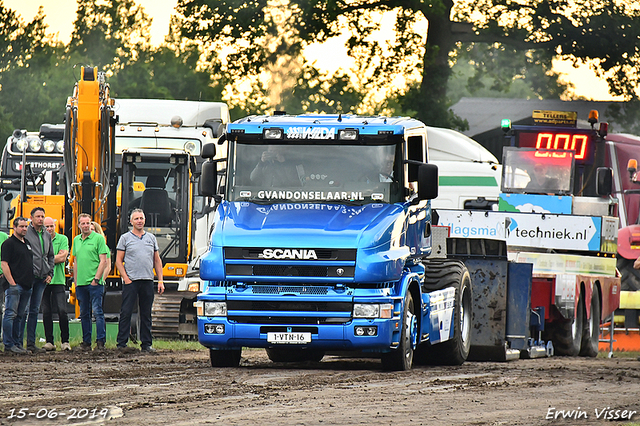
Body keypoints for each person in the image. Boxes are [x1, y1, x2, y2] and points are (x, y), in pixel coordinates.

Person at [115, 209, 164, 353]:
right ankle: (121, 344)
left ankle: (146, 344)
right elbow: (118, 260)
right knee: (126, 312)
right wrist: (125, 278)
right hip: (131, 281)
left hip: (147, 280)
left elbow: (157, 260)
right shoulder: (125, 238)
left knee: (146, 313)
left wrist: (160, 280)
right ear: (131, 221)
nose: (139, 221)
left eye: (141, 218)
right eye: (136, 219)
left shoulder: (151, 238)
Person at [72, 213, 109, 351]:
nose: (86, 226)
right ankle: (86, 343)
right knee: (84, 314)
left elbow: (103, 261)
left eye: (88, 223)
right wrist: (76, 281)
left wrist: (96, 279)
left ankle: (100, 342)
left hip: (94, 283)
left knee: (97, 312)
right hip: (81, 284)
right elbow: (75, 261)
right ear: (79, 225)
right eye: (83, 223)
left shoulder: (99, 238)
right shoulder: (76, 240)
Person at [22, 207, 54, 354]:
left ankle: (31, 343)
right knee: (23, 310)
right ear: (31, 218)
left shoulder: (46, 235)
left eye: (42, 216)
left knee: (34, 311)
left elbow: (50, 256)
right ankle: (17, 343)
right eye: (38, 216)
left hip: (42, 279)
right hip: (29, 277)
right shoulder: (26, 233)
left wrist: (50, 273)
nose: (40, 219)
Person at [1, 217, 33, 354]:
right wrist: (12, 283)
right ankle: (8, 344)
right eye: (21, 226)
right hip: (15, 286)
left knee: (20, 315)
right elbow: (4, 264)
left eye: (26, 226)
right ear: (14, 227)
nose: (24, 229)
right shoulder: (9, 244)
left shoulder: (27, 243)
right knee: (10, 314)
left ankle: (18, 343)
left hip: (27, 286)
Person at [42, 217, 70, 351]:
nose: (49, 229)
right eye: (46, 226)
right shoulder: (40, 239)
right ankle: (49, 341)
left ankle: (65, 341)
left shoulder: (63, 239)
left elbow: (63, 257)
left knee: (62, 311)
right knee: (46, 312)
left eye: (51, 226)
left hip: (58, 280)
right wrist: (55, 257)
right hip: (43, 280)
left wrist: (45, 259)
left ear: (55, 226)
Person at [0, 230, 8, 341]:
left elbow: (8, 257)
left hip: (1, 277)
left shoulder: (4, 237)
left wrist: (3, 271)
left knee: (0, 307)